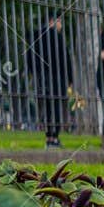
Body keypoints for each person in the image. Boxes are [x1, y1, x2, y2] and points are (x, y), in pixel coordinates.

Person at [25, 10, 71, 149]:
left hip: (43, 78)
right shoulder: (58, 38)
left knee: (47, 107)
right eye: (59, 21)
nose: (60, 25)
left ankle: (48, 137)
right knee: (56, 107)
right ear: (53, 21)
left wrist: (35, 73)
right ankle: (54, 137)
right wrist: (70, 79)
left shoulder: (37, 37)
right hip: (57, 78)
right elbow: (66, 59)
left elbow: (29, 57)